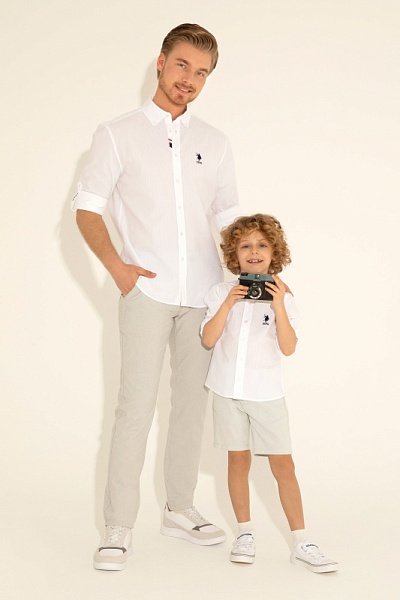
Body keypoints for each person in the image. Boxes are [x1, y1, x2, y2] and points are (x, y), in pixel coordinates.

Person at [72, 23, 241, 571]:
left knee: (191, 407)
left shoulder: (215, 141)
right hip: (146, 291)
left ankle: (180, 509)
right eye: (183, 65)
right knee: (135, 407)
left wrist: (253, 277)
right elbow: (87, 209)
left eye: (202, 73)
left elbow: (229, 218)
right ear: (162, 62)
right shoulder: (117, 133)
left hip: (203, 296)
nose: (190, 79)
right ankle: (118, 525)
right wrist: (120, 271)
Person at [201, 214, 339, 573]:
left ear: (274, 252)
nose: (254, 251)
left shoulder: (285, 297)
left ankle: (301, 541)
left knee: (283, 465)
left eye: (262, 244)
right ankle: (245, 533)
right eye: (245, 245)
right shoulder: (219, 293)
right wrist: (228, 304)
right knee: (237, 461)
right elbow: (208, 339)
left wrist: (278, 304)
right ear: (234, 255)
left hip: (266, 393)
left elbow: (289, 348)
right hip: (227, 391)